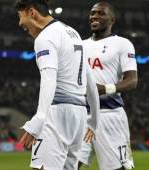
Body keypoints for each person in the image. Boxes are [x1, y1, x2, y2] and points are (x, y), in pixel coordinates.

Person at [14, 0, 100, 169]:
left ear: (32, 13)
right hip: (79, 115)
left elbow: (49, 78)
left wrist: (39, 118)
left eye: (20, 16)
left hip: (56, 114)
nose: (19, 23)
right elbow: (90, 79)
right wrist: (94, 120)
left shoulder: (45, 38)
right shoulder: (72, 33)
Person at [63, 2, 138, 170]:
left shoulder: (122, 44)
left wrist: (105, 89)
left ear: (112, 19)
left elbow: (132, 81)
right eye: (92, 13)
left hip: (109, 114)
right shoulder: (79, 46)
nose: (94, 16)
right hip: (82, 116)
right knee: (68, 166)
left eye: (100, 13)